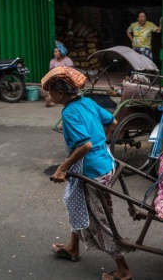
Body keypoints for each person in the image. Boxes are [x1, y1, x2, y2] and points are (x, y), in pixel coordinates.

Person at [41, 66, 132, 280]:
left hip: (92, 171)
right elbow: (113, 123)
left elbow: (85, 146)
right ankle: (73, 247)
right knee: (79, 203)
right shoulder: (87, 102)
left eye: (51, 91)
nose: (48, 95)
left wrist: (62, 167)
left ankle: (124, 270)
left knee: (99, 220)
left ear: (61, 93)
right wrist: (103, 147)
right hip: (105, 165)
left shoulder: (70, 112)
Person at [46, 41, 74, 107]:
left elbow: (71, 71)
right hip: (56, 78)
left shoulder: (67, 60)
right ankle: (50, 100)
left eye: (56, 52)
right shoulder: (52, 61)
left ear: (61, 52)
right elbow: (50, 72)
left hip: (66, 78)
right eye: (54, 52)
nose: (54, 53)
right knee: (50, 84)